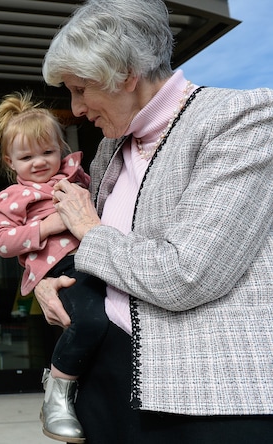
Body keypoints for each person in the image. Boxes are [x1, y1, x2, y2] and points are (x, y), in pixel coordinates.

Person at [33, 0, 273, 442]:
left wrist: (88, 230)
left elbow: (186, 274)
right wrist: (55, 281)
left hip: (204, 398)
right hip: (105, 386)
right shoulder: (113, 146)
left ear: (126, 73)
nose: (77, 108)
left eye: (81, 88)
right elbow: (107, 254)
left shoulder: (242, 118)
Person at [0, 91, 107, 443]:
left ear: (61, 149)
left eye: (48, 152)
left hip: (97, 257)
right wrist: (48, 227)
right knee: (88, 320)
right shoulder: (13, 197)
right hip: (58, 266)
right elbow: (3, 242)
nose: (39, 162)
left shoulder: (79, 179)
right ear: (11, 161)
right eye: (27, 157)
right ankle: (56, 394)